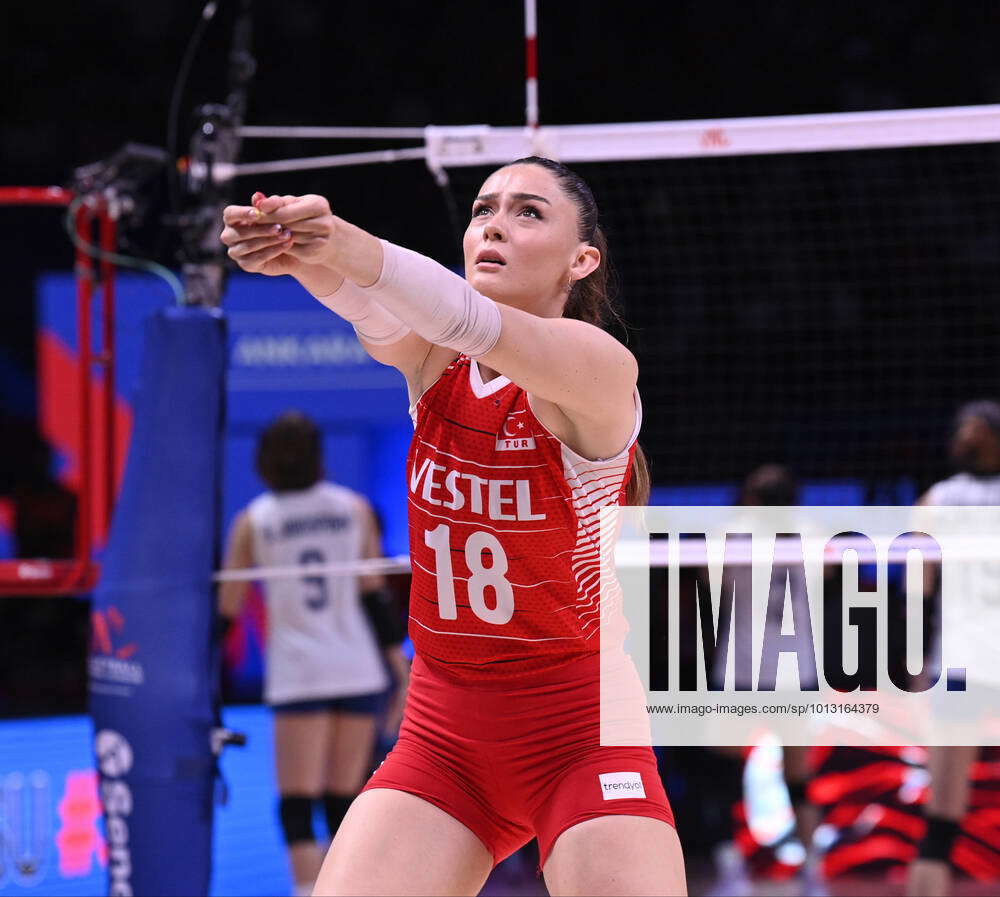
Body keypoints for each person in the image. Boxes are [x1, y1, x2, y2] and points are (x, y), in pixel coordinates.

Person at [220, 158, 686, 895]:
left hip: (580, 735)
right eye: (481, 209)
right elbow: (372, 308)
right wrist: (294, 244)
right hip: (445, 738)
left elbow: (454, 311)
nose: (494, 223)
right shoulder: (437, 363)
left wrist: (337, 236)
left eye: (528, 212)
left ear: (582, 260)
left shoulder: (598, 366)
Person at [219, 411, 410, 897]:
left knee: (298, 804)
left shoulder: (254, 521)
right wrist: (400, 669)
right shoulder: (353, 508)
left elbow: (226, 614)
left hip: (300, 674)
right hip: (358, 670)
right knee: (341, 800)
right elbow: (373, 596)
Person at [905, 400, 1000, 897]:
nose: (965, 436)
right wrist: (918, 659)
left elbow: (917, 587)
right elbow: (918, 585)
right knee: (941, 819)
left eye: (975, 428)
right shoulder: (937, 499)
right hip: (959, 661)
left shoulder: (935, 500)